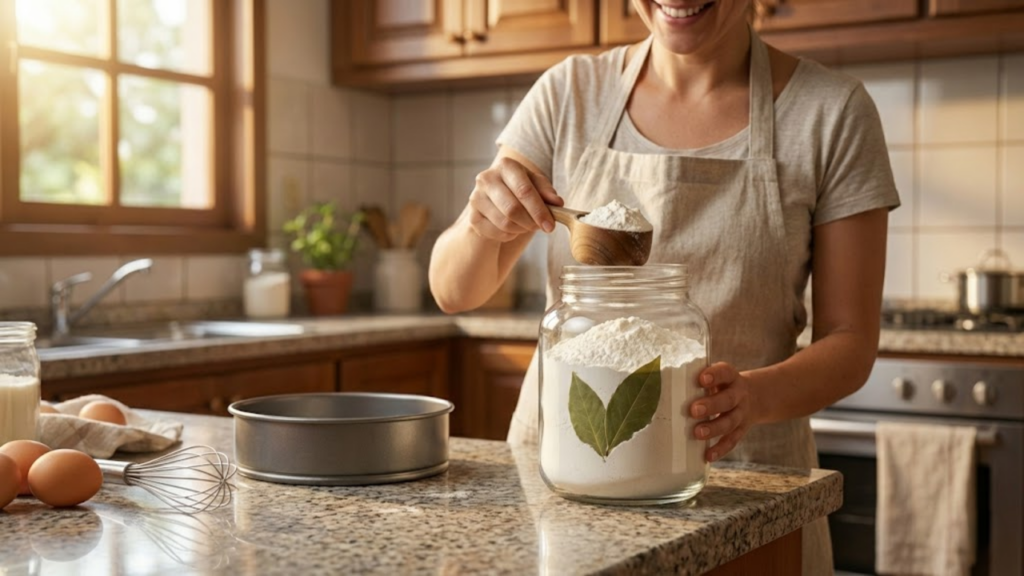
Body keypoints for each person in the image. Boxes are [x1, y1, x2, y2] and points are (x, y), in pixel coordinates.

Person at [429, 0, 900, 573]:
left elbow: (850, 342)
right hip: (566, 479)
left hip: (744, 491)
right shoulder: (570, 93)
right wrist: (482, 222)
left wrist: (752, 398)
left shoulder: (831, 112)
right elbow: (454, 290)